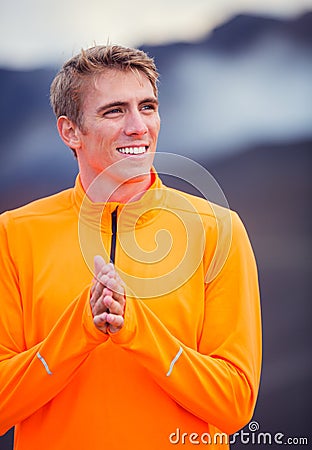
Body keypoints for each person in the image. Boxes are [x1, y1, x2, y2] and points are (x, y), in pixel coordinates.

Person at [0, 45, 261, 449]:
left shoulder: (219, 230)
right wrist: (80, 330)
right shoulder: (15, 234)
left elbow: (234, 405)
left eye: (148, 107)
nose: (139, 126)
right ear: (70, 131)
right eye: (115, 110)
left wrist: (137, 330)